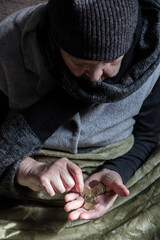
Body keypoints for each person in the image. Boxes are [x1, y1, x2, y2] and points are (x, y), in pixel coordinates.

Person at [0, 0, 160, 223]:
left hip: (124, 172)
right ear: (56, 42)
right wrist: (26, 169)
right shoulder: (7, 43)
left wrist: (116, 172)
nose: (95, 78)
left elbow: (148, 134)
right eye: (79, 61)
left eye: (112, 61)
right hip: (23, 185)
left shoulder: (151, 50)